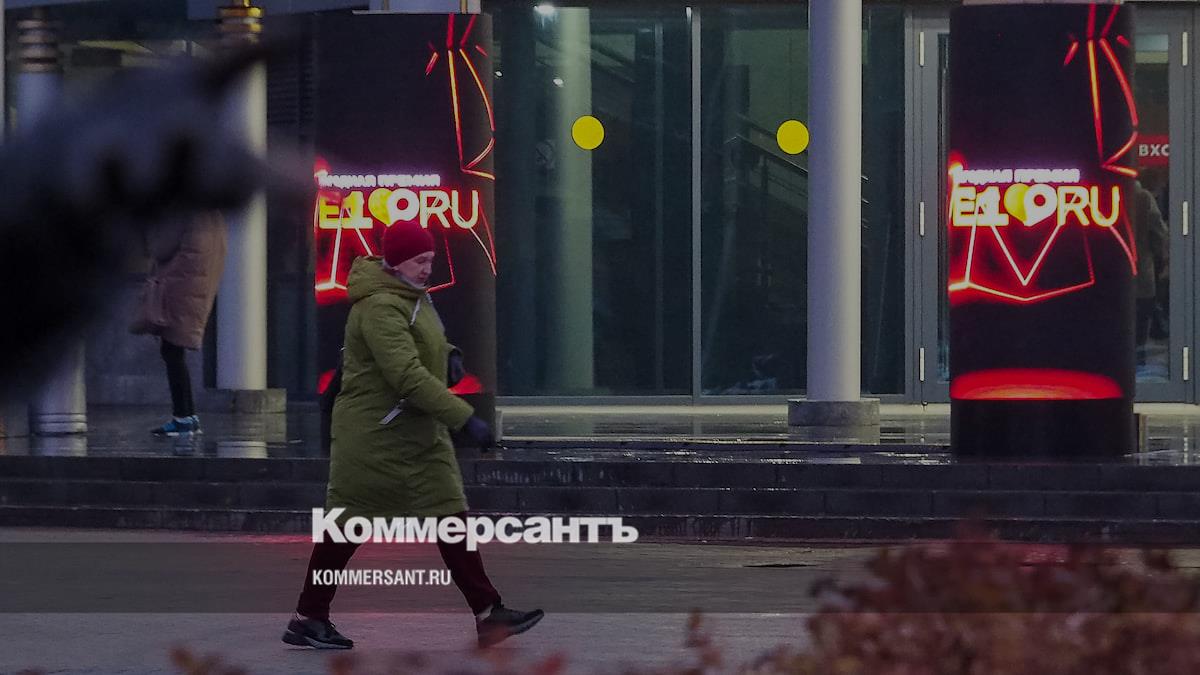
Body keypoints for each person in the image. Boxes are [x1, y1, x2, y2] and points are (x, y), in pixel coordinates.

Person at [284, 221, 543, 650]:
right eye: (419, 260)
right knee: (346, 525)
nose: (427, 268)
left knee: (449, 515)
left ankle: (488, 612)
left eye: (430, 260)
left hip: (414, 433)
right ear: (397, 261)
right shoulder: (380, 307)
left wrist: (450, 356)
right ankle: (308, 616)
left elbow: (424, 344)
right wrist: (464, 418)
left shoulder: (411, 295)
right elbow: (405, 374)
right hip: (375, 437)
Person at [131, 211, 228, 436]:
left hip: (178, 288)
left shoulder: (184, 210)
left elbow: (160, 248)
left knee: (172, 351)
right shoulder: (214, 216)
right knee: (174, 351)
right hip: (195, 287)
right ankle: (188, 416)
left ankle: (183, 417)